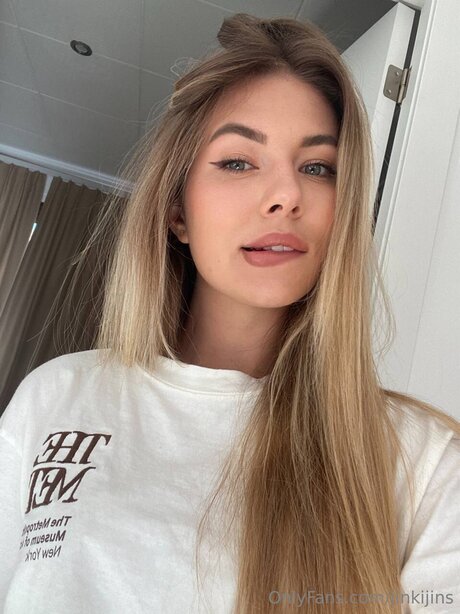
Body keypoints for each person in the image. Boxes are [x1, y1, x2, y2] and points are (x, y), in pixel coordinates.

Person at [0, 12, 459, 614]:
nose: (287, 195)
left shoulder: (424, 463)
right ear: (177, 212)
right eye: (239, 161)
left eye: (318, 167)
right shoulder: (57, 395)